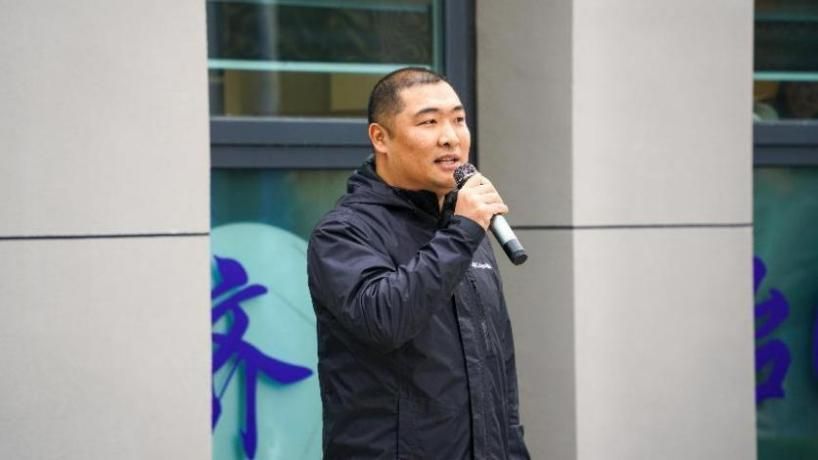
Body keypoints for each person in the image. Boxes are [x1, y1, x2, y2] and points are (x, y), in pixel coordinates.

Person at [307, 67, 530, 459]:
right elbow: (384, 321)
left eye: (458, 120)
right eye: (429, 122)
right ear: (380, 138)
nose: (450, 137)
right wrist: (462, 232)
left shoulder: (468, 231)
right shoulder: (343, 233)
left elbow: (500, 373)